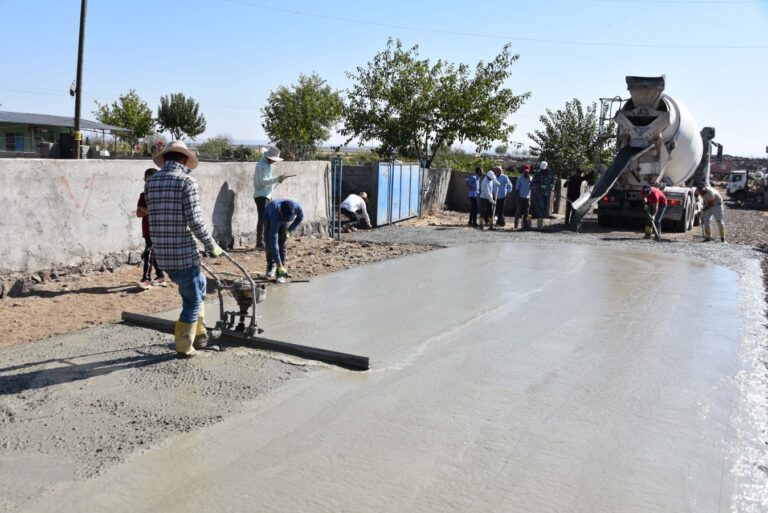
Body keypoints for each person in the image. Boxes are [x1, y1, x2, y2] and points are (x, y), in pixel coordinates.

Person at [145, 141, 223, 357]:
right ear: (185, 159)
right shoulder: (187, 182)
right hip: (183, 253)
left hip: (162, 253)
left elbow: (153, 216)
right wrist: (212, 245)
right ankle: (184, 346)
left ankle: (200, 334)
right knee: (193, 299)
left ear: (167, 158)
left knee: (200, 285)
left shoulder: (152, 182)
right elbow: (195, 221)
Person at [136, 168, 167, 290]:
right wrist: (150, 212)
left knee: (149, 251)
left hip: (158, 229)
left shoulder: (162, 194)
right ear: (144, 180)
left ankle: (146, 279)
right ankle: (160, 277)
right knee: (152, 253)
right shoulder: (143, 195)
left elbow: (162, 212)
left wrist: (146, 211)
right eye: (147, 181)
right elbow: (138, 213)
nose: (149, 184)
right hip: (147, 229)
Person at [253, 147, 287, 250]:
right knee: (263, 219)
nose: (274, 161)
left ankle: (262, 241)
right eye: (274, 159)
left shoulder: (265, 164)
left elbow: (266, 181)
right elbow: (264, 181)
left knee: (264, 219)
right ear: (270, 157)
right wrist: (277, 179)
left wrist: (277, 180)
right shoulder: (263, 166)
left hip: (264, 195)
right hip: (262, 195)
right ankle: (260, 243)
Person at [264, 199, 304, 284]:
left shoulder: (297, 207)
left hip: (283, 221)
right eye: (285, 219)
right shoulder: (274, 213)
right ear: (280, 212)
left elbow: (300, 217)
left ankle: (280, 274)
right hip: (269, 218)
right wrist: (279, 265)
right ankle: (271, 266)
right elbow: (274, 243)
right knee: (269, 244)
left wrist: (289, 230)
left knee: (282, 244)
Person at [531, 161, 555, 230]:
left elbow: (553, 181)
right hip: (540, 194)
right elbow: (533, 184)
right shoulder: (537, 174)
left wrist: (551, 185)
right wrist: (541, 186)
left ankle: (542, 224)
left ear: (547, 167)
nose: (543, 170)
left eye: (544, 169)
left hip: (547, 193)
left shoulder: (550, 173)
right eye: (542, 169)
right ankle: (539, 226)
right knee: (540, 208)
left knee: (545, 208)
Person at [514, 165, 532, 230]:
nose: (526, 173)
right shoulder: (520, 178)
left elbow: (533, 187)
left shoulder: (531, 178)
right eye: (525, 171)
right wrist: (517, 199)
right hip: (521, 198)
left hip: (528, 198)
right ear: (523, 171)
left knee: (526, 213)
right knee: (518, 212)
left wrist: (529, 180)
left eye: (527, 171)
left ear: (529, 171)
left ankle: (525, 226)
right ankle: (516, 225)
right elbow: (517, 189)